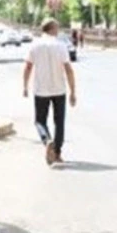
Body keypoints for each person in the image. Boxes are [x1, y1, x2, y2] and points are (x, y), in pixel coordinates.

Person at [23, 17, 77, 165]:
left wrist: (25, 86)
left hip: (41, 90)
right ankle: (57, 153)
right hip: (59, 89)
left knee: (40, 121)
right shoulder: (60, 46)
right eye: (57, 28)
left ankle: (47, 140)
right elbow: (68, 69)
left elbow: (28, 67)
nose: (58, 31)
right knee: (59, 122)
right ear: (52, 29)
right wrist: (72, 91)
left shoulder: (34, 45)